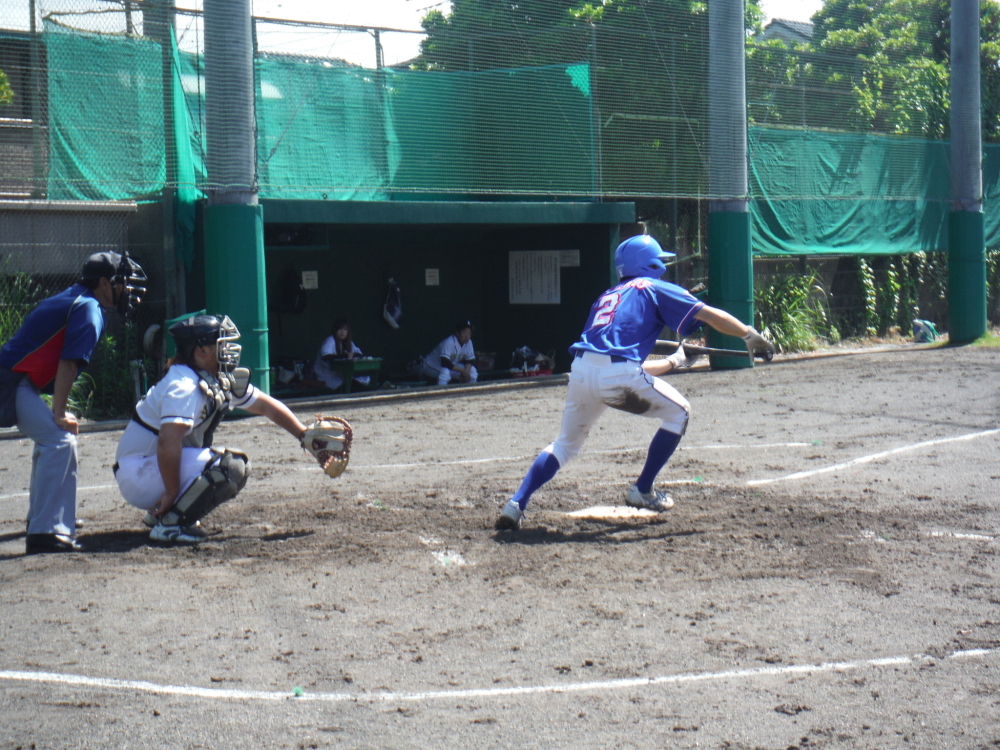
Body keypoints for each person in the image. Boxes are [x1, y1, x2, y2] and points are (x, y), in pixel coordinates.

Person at [496, 235, 774, 530]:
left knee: (564, 445)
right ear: (648, 264)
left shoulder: (607, 296)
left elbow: (620, 366)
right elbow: (708, 315)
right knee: (679, 413)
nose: (663, 266)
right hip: (617, 374)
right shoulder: (651, 286)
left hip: (581, 370)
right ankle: (642, 489)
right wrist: (748, 335)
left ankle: (515, 503)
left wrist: (676, 360)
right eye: (660, 261)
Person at [113, 314, 310, 545]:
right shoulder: (184, 385)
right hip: (139, 472)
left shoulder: (208, 377)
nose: (228, 349)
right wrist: (171, 492)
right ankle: (170, 525)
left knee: (233, 465)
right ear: (202, 351)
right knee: (231, 466)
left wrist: (304, 435)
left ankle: (164, 515)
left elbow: (266, 406)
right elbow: (167, 441)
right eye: (221, 343)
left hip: (149, 465)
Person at [0, 251, 147, 554]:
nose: (126, 290)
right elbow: (68, 363)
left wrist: (56, 412)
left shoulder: (76, 297)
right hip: (10, 382)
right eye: (122, 282)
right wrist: (58, 413)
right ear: (104, 283)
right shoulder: (88, 307)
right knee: (59, 440)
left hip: (14, 380)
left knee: (53, 439)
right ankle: (47, 532)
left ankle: (45, 519)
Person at [313, 318, 372, 392]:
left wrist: (351, 355)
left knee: (358, 382)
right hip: (325, 375)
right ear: (335, 330)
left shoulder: (347, 342)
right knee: (349, 385)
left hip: (339, 374)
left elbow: (359, 354)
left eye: (345, 329)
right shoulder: (330, 340)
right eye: (340, 329)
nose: (342, 332)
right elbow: (325, 356)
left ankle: (372, 392)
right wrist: (344, 356)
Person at [421, 321, 478, 385]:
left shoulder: (469, 342)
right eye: (464, 333)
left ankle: (471, 390)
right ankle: (442, 390)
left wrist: (466, 372)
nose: (467, 336)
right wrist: (463, 371)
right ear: (457, 333)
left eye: (469, 333)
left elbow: (470, 360)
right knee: (445, 372)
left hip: (448, 366)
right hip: (430, 365)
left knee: (472, 370)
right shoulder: (449, 342)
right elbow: (445, 362)